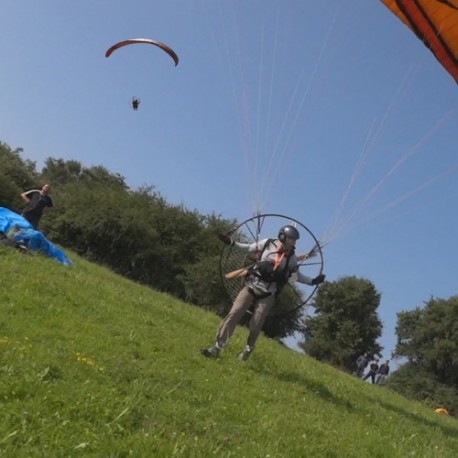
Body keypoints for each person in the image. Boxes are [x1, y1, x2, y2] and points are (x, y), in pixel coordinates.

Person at [200, 225, 326, 361]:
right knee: (234, 314)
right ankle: (217, 348)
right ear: (283, 237)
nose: (294, 242)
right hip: (251, 286)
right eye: (292, 239)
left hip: (268, 294)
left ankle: (247, 350)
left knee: (255, 325)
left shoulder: (292, 259)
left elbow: (296, 276)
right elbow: (248, 248)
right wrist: (230, 242)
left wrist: (312, 281)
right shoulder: (268, 243)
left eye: (295, 240)